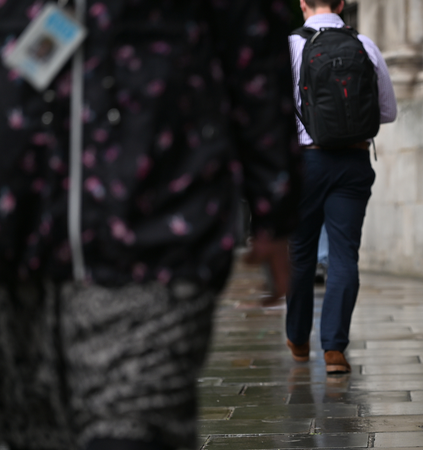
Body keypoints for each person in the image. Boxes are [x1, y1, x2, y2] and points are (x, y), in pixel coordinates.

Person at [0, 1, 300, 449]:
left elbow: (255, 52)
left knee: (134, 431)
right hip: (21, 248)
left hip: (155, 235)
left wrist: (275, 207)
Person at [285, 0, 397, 374]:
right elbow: (387, 112)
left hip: (305, 163)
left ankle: (298, 338)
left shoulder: (291, 46)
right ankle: (334, 350)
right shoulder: (364, 45)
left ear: (302, 4)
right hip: (352, 161)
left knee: (300, 254)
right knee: (344, 255)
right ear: (343, 4)